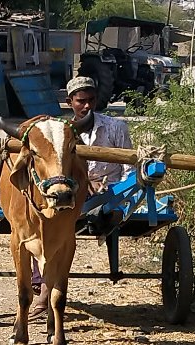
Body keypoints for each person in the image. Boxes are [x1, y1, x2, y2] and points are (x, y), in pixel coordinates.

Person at [30, 76, 133, 318]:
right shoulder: (58, 132)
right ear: (70, 102)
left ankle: (47, 294)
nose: (87, 106)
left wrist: (114, 190)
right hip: (69, 193)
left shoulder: (117, 127)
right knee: (41, 226)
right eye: (81, 101)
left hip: (110, 194)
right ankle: (43, 289)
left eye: (91, 100)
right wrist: (83, 183)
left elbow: (129, 167)